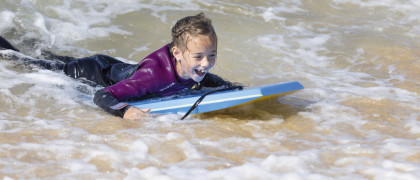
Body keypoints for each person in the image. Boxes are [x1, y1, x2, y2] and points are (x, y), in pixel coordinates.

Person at [0, 13, 237, 119]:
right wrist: (125, 110)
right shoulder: (153, 77)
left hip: (113, 67)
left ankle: (29, 39)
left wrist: (234, 89)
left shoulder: (192, 67)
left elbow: (208, 80)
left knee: (49, 55)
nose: (206, 63)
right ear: (177, 53)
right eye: (199, 57)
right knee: (24, 61)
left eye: (212, 55)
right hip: (89, 72)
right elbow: (102, 95)